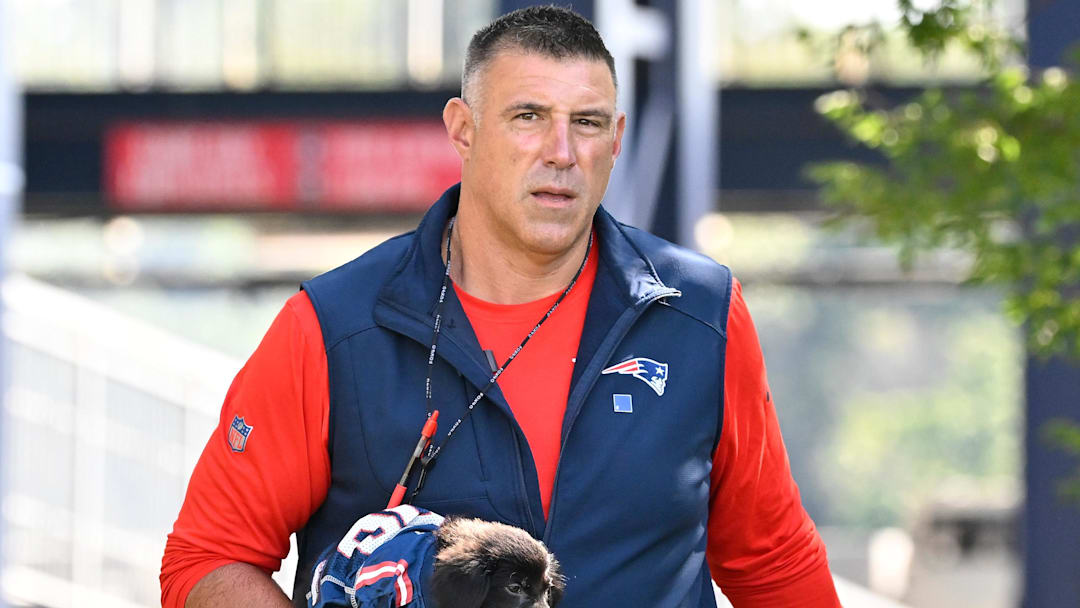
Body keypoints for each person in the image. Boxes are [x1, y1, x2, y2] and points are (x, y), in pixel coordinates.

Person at [161, 6, 841, 607]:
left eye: (588, 123)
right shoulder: (335, 326)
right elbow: (206, 561)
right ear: (463, 129)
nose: (562, 153)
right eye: (528, 117)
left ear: (618, 137)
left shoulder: (700, 314)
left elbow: (772, 558)